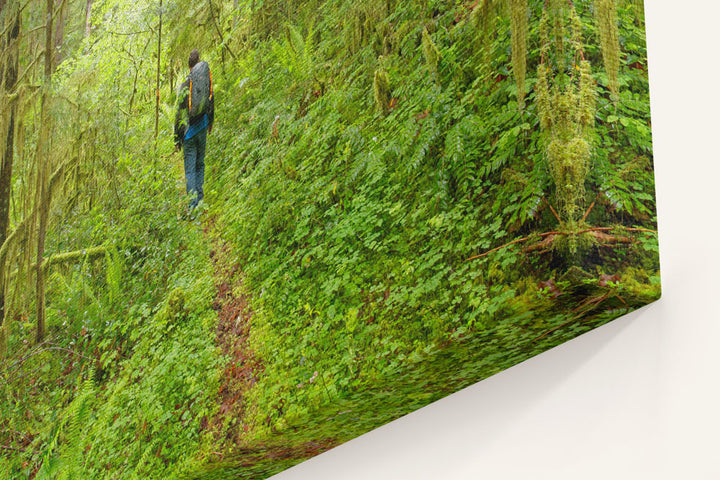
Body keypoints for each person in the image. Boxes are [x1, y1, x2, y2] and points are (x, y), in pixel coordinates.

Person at [174, 48, 214, 212]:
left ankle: (193, 206)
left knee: (190, 170)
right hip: (203, 126)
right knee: (200, 164)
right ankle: (200, 199)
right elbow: (212, 100)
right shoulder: (205, 79)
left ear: (188, 65)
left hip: (189, 132)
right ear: (198, 63)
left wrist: (177, 139)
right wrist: (211, 121)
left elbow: (179, 113)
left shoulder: (185, 84)